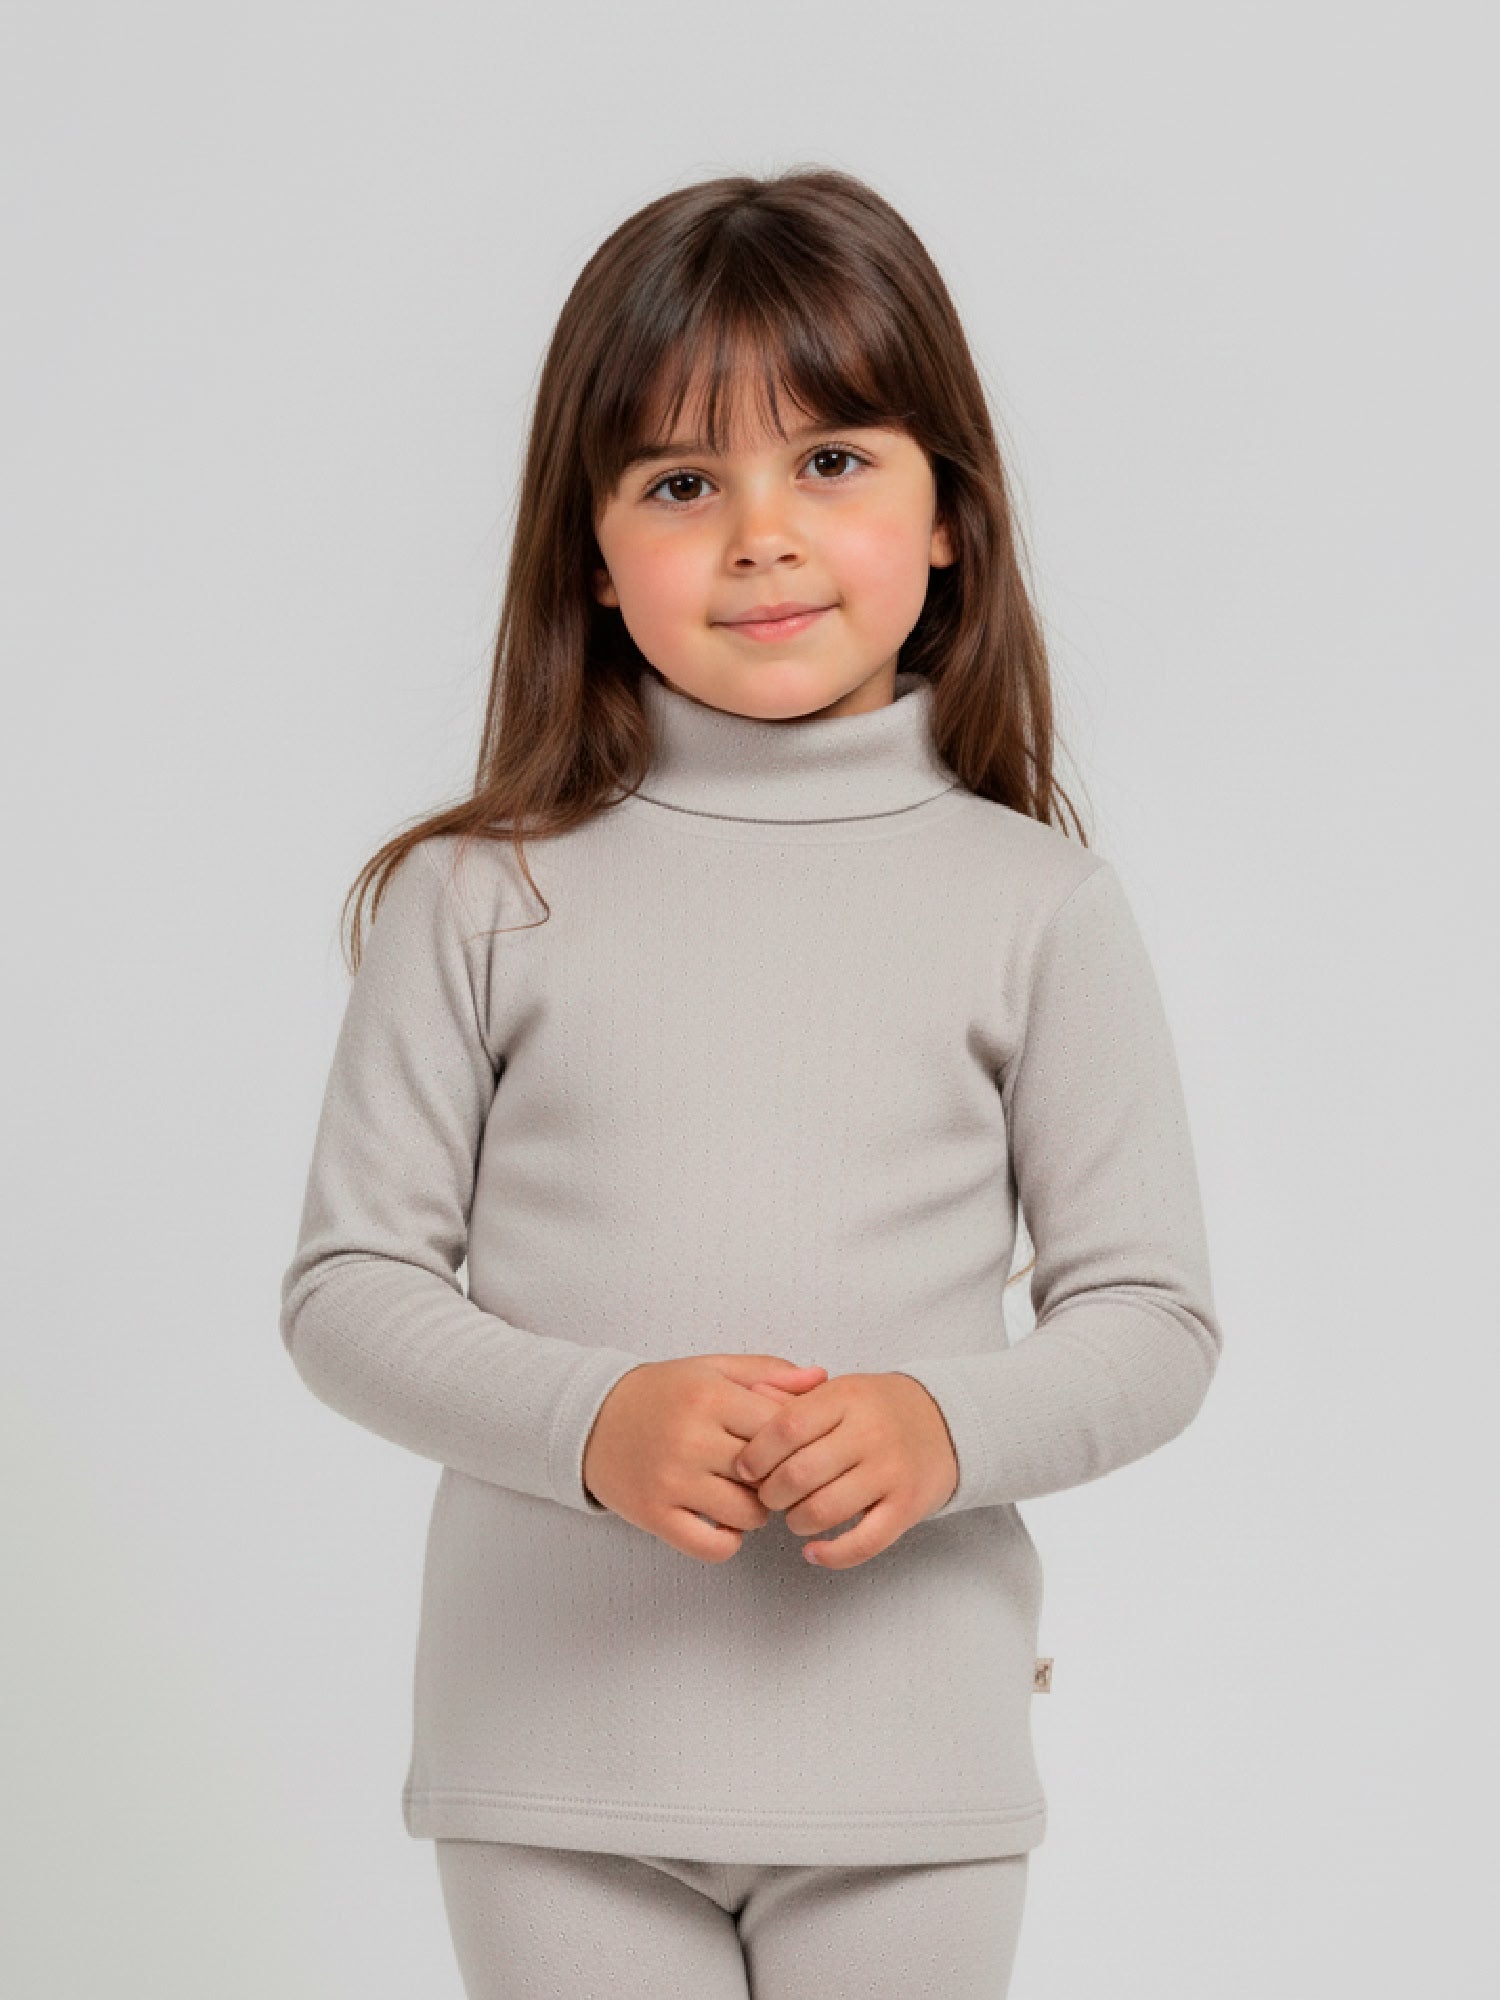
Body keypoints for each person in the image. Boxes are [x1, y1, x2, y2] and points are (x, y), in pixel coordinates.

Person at [278, 164, 1224, 1999]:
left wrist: (946, 1428)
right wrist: (592, 1421)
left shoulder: (1039, 906)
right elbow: (348, 1292)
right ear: (592, 545)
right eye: (683, 482)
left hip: (909, 1771)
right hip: (554, 1766)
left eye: (836, 460)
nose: (763, 535)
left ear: (952, 512)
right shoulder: (484, 893)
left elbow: (1154, 1320)